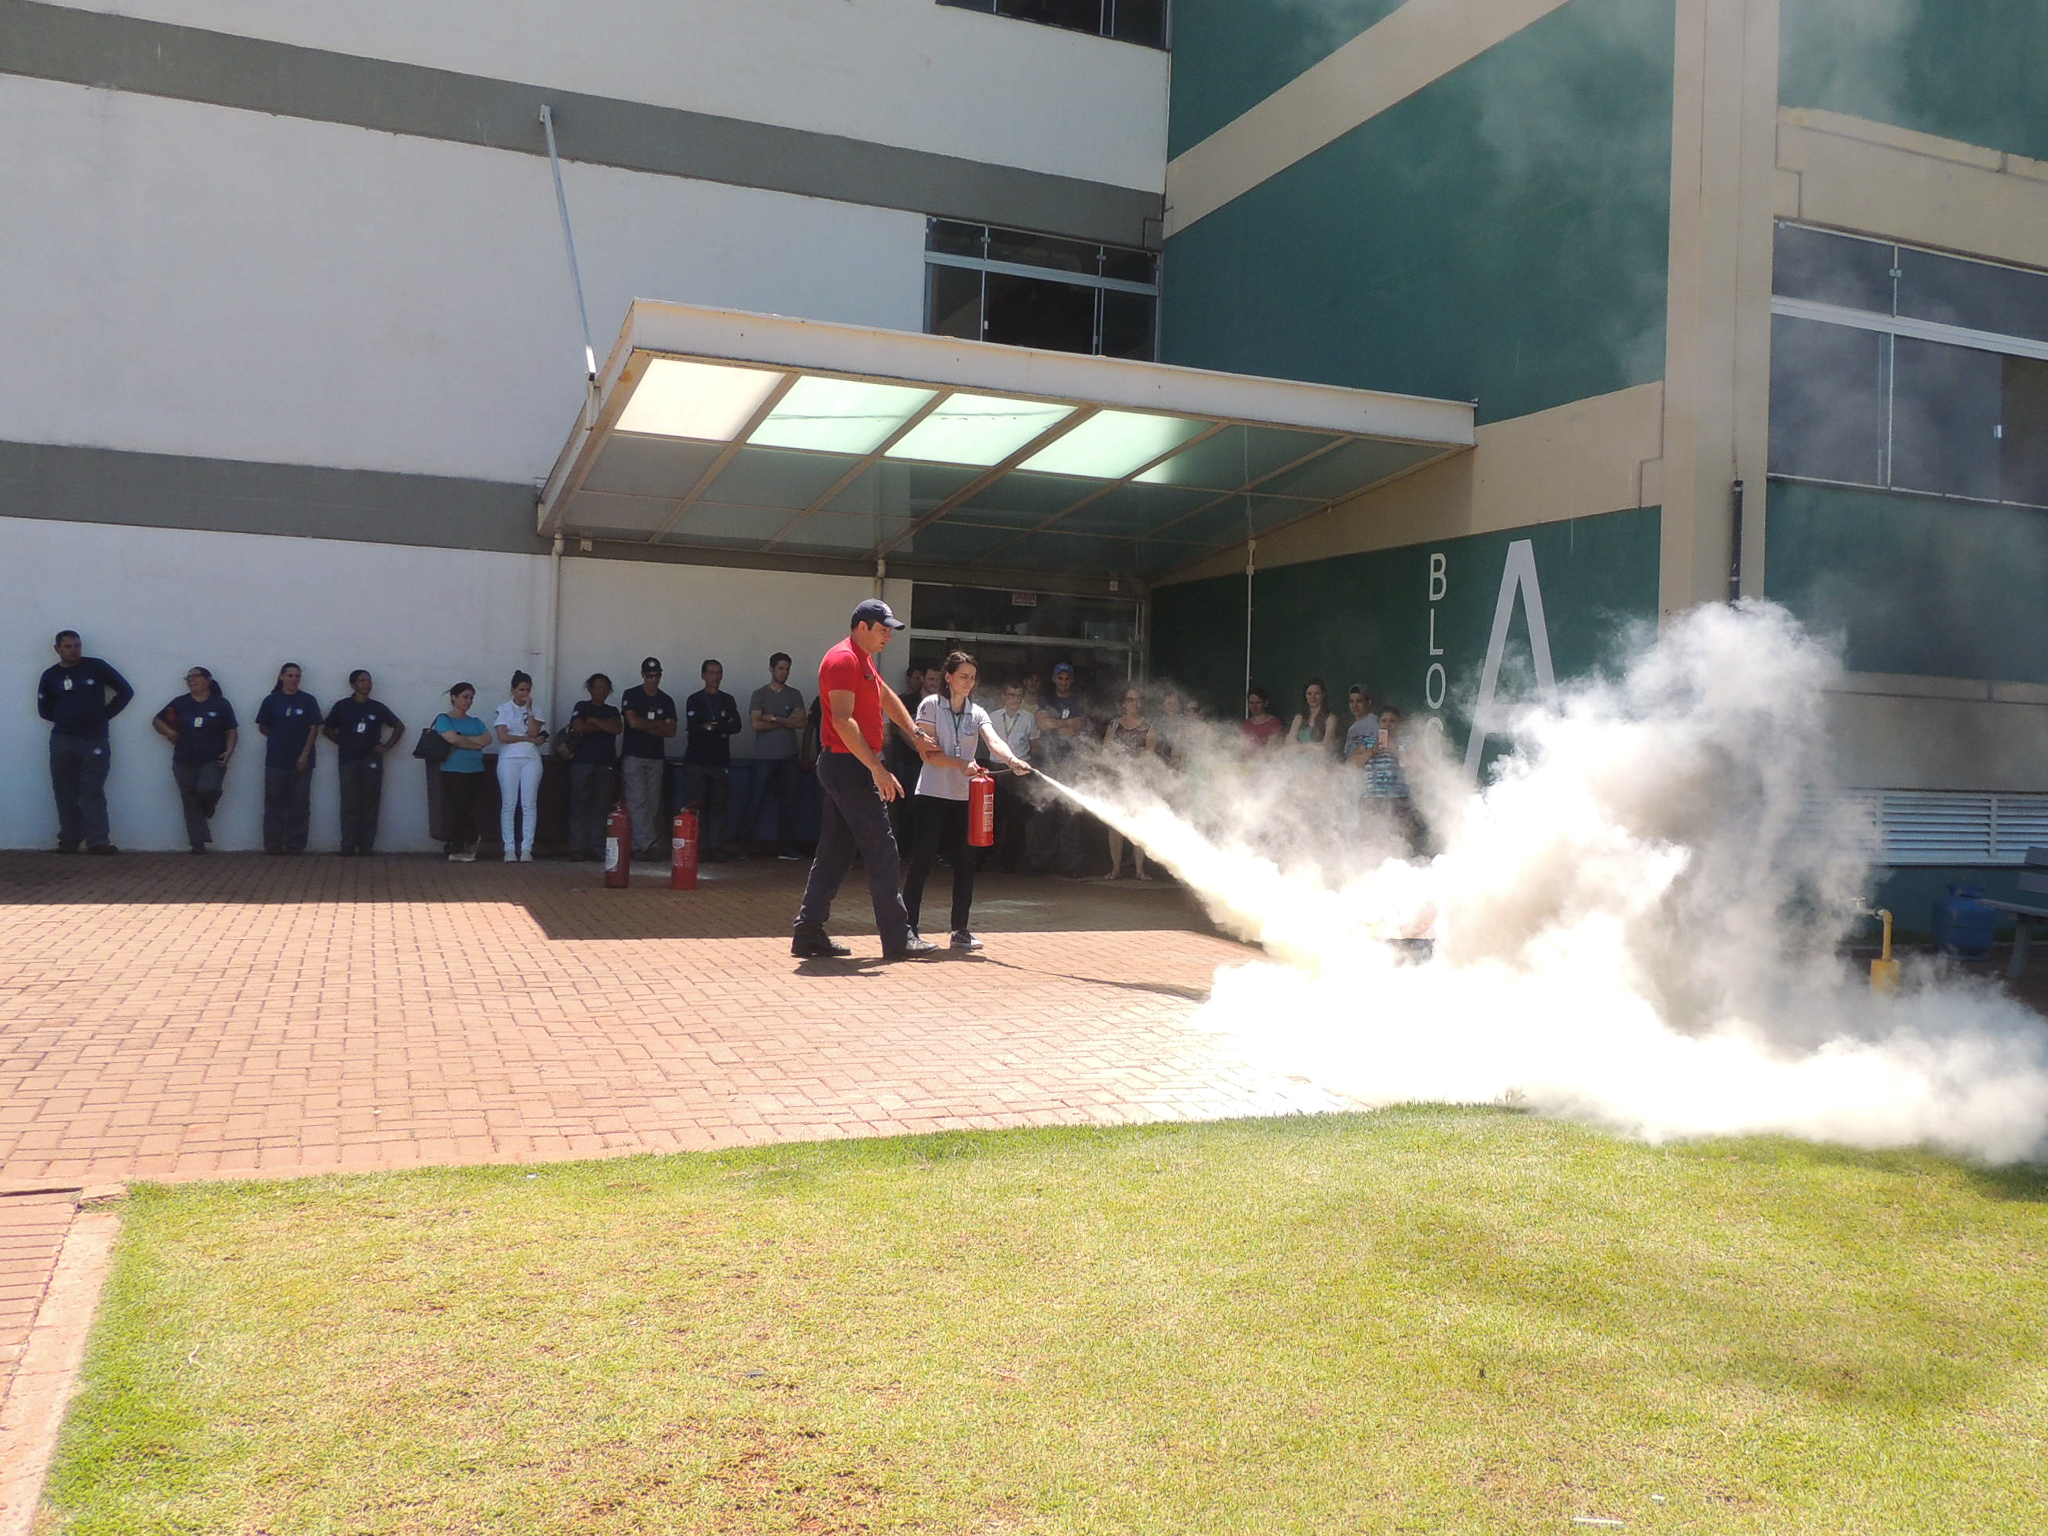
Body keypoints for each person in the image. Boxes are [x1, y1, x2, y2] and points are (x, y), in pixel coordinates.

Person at [792, 599, 939, 961]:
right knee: (882, 850)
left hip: (846, 766)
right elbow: (843, 721)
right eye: (883, 627)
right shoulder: (843, 659)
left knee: (834, 854)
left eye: (890, 628)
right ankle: (897, 938)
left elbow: (885, 697)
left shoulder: (863, 661)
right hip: (849, 767)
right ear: (862, 626)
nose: (889, 634)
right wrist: (877, 768)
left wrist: (916, 734)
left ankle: (808, 933)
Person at [902, 652, 1033, 951]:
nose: (968, 683)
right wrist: (960, 764)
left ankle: (960, 930)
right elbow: (927, 752)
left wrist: (1012, 760)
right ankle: (908, 929)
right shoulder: (931, 706)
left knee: (965, 863)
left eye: (972, 678)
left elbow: (993, 741)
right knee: (922, 861)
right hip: (932, 795)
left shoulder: (977, 712)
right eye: (963, 676)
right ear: (947, 677)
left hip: (964, 799)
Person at [38, 629, 133, 854]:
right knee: (64, 789)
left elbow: (125, 691)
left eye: (77, 646)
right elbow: (44, 709)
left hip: (94, 739)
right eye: (68, 646)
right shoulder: (50, 676)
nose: (74, 650)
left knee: (92, 790)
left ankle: (98, 842)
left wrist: (103, 715)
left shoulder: (96, 667)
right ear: (57, 649)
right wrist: (67, 719)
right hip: (62, 738)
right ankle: (70, 839)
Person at [153, 666, 237, 853]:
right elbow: (156, 720)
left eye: (195, 676)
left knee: (208, 788)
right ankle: (197, 842)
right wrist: (169, 731)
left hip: (212, 758)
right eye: (188, 677)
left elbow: (231, 729)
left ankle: (210, 803)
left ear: (208, 680)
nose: (191, 680)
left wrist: (229, 751)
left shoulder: (220, 704)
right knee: (189, 800)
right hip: (184, 759)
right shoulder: (180, 702)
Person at [322, 670, 403, 855]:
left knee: (370, 802)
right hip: (348, 760)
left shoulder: (378, 708)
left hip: (371, 760)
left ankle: (366, 846)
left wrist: (387, 747)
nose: (366, 684)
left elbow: (399, 726)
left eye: (368, 680)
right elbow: (327, 729)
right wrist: (343, 743)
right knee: (349, 802)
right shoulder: (342, 706)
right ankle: (348, 845)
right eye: (362, 680)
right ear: (353, 685)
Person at [1028, 661, 1090, 878]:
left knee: (1069, 817)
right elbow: (1042, 723)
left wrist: (1055, 722)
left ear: (1071, 679)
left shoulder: (1078, 701)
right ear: (1054, 679)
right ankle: (1038, 865)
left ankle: (1072, 867)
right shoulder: (1046, 699)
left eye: (1067, 678)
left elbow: (1077, 728)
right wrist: (1064, 723)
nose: (1063, 681)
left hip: (1070, 765)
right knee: (1043, 815)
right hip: (1047, 763)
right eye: (1060, 678)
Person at [742, 652, 806, 860]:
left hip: (789, 756)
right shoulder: (759, 694)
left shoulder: (794, 694)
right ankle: (744, 847)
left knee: (789, 802)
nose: (784, 672)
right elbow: (756, 724)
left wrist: (775, 718)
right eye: (780, 668)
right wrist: (786, 720)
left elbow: (801, 723)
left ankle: (785, 847)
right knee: (755, 800)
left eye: (787, 668)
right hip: (764, 757)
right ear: (771, 669)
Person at [254, 663, 321, 855]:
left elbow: (314, 729)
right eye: (290, 675)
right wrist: (280, 739)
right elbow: (263, 727)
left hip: (302, 762)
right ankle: (273, 845)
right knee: (274, 804)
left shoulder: (308, 700)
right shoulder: (271, 700)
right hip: (276, 761)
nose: (294, 679)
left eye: (297, 676)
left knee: (299, 804)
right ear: (282, 677)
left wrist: (304, 755)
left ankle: (295, 845)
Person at [682, 659, 744, 861]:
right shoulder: (695, 699)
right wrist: (719, 730)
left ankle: (716, 847)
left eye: (718, 672)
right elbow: (694, 729)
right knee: (697, 805)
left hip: (720, 761)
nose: (715, 677)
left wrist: (711, 728)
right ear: (703, 675)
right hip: (697, 761)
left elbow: (736, 726)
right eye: (711, 672)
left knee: (719, 806)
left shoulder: (727, 699)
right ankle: (697, 847)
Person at [618, 658, 676, 859]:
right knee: (637, 801)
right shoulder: (632, 694)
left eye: (657, 675)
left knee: (652, 803)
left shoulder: (666, 700)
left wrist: (646, 725)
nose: (653, 679)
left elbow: (671, 731)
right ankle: (645, 846)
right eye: (650, 676)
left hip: (656, 756)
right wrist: (657, 725)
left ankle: (640, 844)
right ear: (643, 675)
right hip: (633, 754)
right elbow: (632, 722)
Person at [1100, 686, 1156, 882]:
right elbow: (1107, 751)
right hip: (1117, 780)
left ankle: (1139, 870)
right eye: (1130, 699)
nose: (1134, 703)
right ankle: (1115, 868)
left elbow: (1149, 753)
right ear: (1124, 703)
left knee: (1138, 824)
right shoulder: (1114, 725)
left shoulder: (1149, 726)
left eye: (1138, 699)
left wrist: (1127, 760)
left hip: (1139, 782)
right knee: (1115, 826)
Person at [565, 673, 621, 861]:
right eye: (598, 687)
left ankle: (597, 847)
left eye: (606, 688)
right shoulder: (582, 706)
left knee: (601, 806)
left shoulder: (612, 710)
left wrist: (595, 721)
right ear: (589, 689)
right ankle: (577, 847)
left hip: (606, 763)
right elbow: (578, 727)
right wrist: (603, 725)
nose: (602, 691)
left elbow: (616, 728)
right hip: (582, 762)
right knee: (579, 805)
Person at [492, 670, 547, 862]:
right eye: (521, 689)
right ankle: (509, 848)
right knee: (509, 804)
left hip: (530, 758)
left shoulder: (536, 708)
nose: (524, 693)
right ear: (513, 690)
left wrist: (530, 710)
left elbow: (535, 730)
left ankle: (526, 848)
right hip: (508, 758)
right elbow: (503, 736)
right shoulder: (504, 708)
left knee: (529, 804)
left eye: (528, 690)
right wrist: (527, 739)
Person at [433, 683, 490, 861]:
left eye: (471, 698)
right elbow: (451, 738)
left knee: (470, 808)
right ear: (454, 697)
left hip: (476, 770)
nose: (468, 701)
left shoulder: (476, 721)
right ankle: (460, 843)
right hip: (453, 770)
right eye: (465, 697)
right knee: (458, 807)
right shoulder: (444, 719)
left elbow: (487, 739)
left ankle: (461, 844)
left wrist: (462, 741)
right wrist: (474, 743)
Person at [986, 680, 1039, 873]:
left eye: (1017, 696)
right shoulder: (992, 716)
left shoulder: (1028, 718)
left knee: (1017, 817)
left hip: (1019, 772)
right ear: (1003, 696)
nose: (1014, 699)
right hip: (997, 768)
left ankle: (1009, 860)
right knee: (994, 815)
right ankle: (987, 855)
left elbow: (1034, 746)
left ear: (1022, 698)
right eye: (1010, 695)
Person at [1365, 706, 1422, 852]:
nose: (1387, 724)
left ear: (1398, 724)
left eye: (1392, 721)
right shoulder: (1371, 741)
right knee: (1373, 843)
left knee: (1405, 842)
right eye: (1384, 721)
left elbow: (1415, 764)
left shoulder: (1407, 741)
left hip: (1400, 799)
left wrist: (1393, 749)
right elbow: (1352, 763)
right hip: (1374, 799)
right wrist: (1371, 752)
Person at [1289, 678, 1338, 753]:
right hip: (1297, 761)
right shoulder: (1299, 717)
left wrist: (1300, 747)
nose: (1313, 697)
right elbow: (1289, 742)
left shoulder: (1331, 718)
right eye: (1309, 694)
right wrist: (1312, 747)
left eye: (1317, 693)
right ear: (1305, 696)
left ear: (1323, 695)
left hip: (1319, 762)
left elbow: (1326, 746)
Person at [1342, 685, 1379, 766]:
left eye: (1359, 701)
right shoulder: (1352, 729)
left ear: (1368, 702)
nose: (1354, 705)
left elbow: (1381, 745)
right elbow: (1348, 756)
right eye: (1351, 701)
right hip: (1354, 772)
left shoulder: (1375, 722)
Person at [1241, 684, 1284, 752]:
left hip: (1264, 761)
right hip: (1245, 761)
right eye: (1251, 703)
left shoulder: (1274, 722)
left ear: (1266, 703)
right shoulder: (1246, 724)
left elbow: (1271, 748)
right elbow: (1241, 746)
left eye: (1258, 703)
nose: (1254, 706)